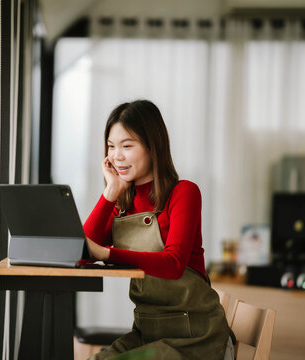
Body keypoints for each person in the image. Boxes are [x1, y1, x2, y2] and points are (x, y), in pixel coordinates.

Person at [84, 100, 234, 360]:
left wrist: (108, 254)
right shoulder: (123, 202)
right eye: (111, 146)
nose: (116, 155)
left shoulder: (184, 193)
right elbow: (83, 252)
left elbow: (173, 264)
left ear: (153, 146)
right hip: (149, 333)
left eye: (127, 146)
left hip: (198, 339)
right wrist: (110, 193)